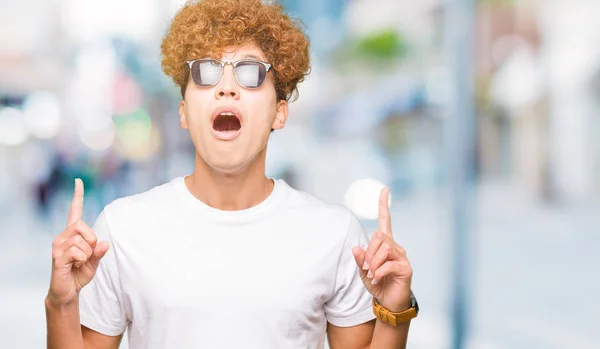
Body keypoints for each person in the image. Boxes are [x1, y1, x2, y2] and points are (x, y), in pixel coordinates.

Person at [45, 0, 418, 348]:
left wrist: (395, 313)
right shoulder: (122, 229)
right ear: (183, 112)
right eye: (205, 72)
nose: (226, 87)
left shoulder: (336, 235)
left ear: (279, 113)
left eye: (251, 73)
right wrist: (60, 303)